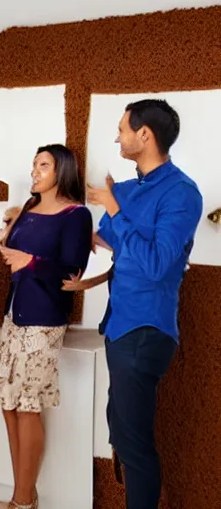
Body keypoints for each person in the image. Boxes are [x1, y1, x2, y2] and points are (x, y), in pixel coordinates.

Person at [86, 99, 203, 509]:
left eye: (122, 129)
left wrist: (114, 208)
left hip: (146, 331)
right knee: (119, 432)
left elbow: (154, 265)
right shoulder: (127, 189)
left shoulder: (183, 194)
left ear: (145, 135)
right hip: (118, 327)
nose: (117, 137)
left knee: (134, 446)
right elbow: (109, 241)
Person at [0, 144, 93, 509]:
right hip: (14, 314)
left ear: (61, 171)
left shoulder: (76, 215)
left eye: (43, 165)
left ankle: (21, 500)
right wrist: (2, 242)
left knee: (28, 405)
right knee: (9, 403)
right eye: (33, 164)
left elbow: (72, 269)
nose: (34, 171)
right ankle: (24, 492)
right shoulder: (28, 209)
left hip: (45, 319)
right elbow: (13, 257)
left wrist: (30, 262)